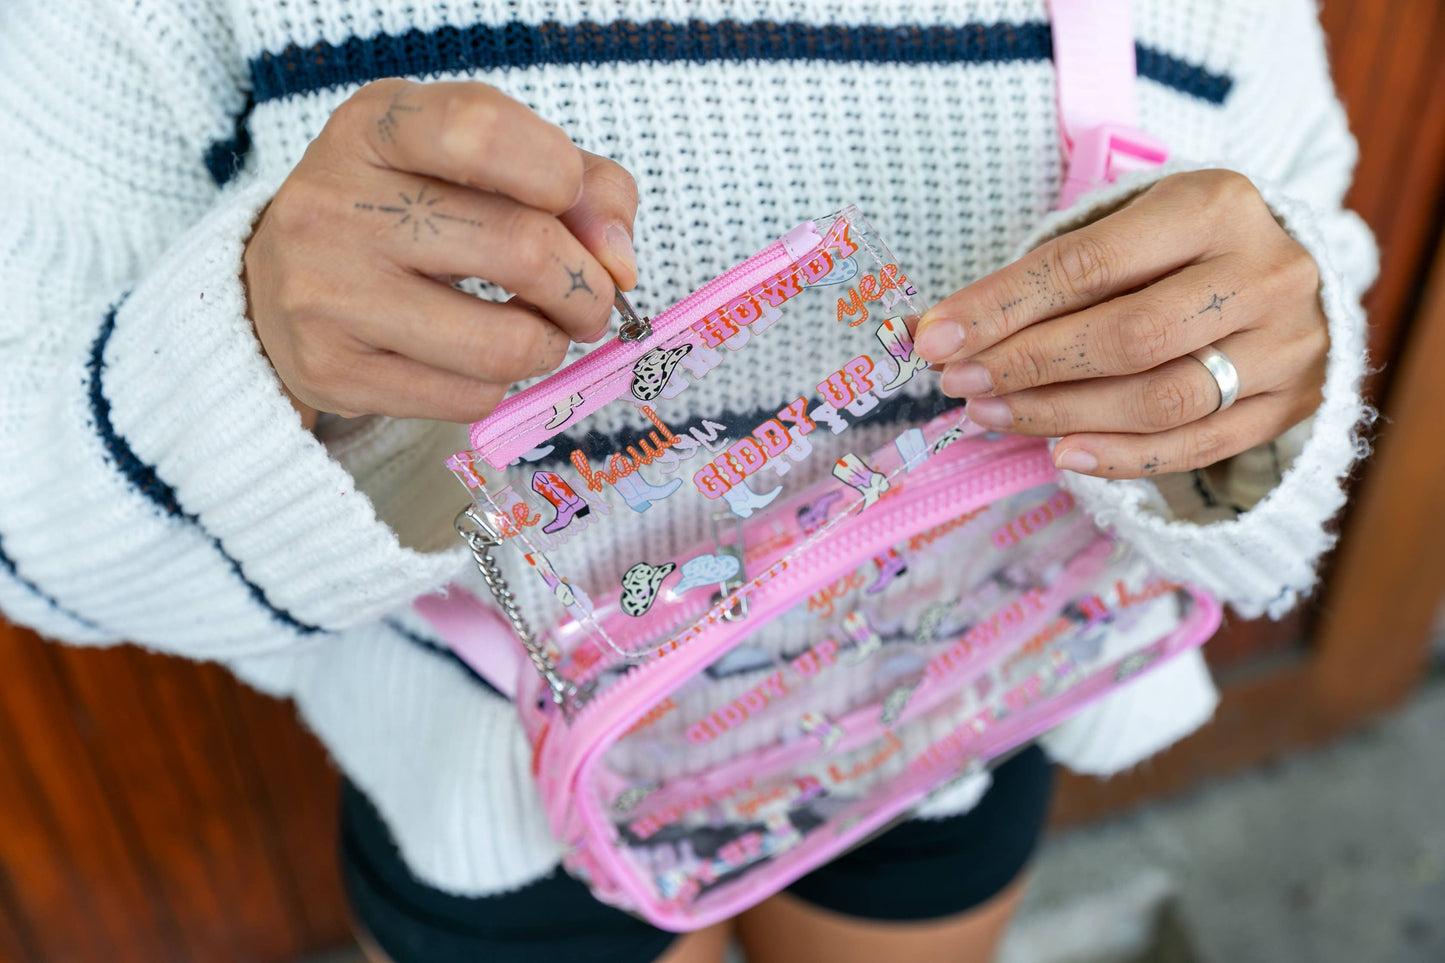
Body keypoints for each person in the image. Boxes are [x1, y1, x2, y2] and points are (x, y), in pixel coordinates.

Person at [0, 0, 1373, 960]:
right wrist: (245, 364)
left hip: (951, 708)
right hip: (501, 786)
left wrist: (1255, 375)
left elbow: (1294, 228)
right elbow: (30, 512)